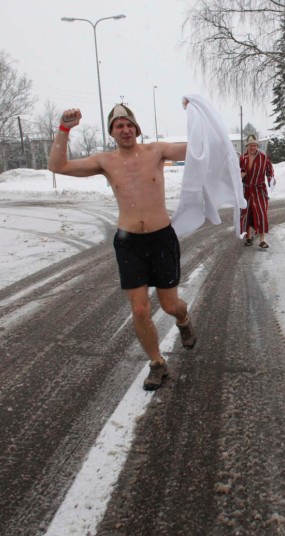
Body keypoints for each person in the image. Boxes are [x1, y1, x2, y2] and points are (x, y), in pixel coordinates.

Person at [48, 103, 197, 391]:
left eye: (129, 124)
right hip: (129, 243)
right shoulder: (105, 161)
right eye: (119, 126)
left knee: (169, 305)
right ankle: (157, 363)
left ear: (137, 128)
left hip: (161, 238)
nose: (125, 129)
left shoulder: (156, 151)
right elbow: (58, 166)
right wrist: (64, 129)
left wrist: (196, 114)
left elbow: (198, 149)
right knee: (140, 309)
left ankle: (184, 319)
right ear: (112, 132)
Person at [239, 134, 275, 248]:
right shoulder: (242, 158)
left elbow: (270, 172)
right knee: (246, 214)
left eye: (254, 145)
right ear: (247, 146)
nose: (252, 147)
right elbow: (237, 173)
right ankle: (248, 237)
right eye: (250, 145)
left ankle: (262, 240)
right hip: (246, 190)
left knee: (261, 213)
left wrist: (271, 180)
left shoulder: (263, 158)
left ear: (257, 146)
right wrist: (240, 175)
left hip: (259, 189)